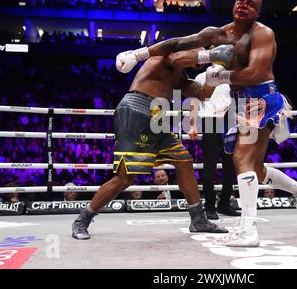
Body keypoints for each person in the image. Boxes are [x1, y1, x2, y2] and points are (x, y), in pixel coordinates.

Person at [116, 0, 297, 247]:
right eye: (240, 1)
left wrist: (219, 76)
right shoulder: (218, 33)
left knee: (241, 159)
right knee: (254, 170)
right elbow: (178, 43)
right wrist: (138, 54)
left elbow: (255, 74)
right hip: (241, 102)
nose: (243, 6)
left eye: (251, 4)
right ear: (233, 5)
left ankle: (249, 231)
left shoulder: (263, 34)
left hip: (261, 97)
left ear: (257, 12)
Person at [71, 46, 236, 240]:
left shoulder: (179, 76)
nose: (198, 62)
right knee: (125, 178)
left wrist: (215, 77)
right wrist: (211, 55)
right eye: (198, 53)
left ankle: (198, 219)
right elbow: (181, 56)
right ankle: (82, 219)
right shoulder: (165, 56)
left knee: (184, 161)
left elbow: (202, 94)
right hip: (136, 111)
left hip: (158, 117)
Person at [188, 70, 240, 220]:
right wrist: (192, 125)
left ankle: (224, 203)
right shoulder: (201, 76)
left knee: (230, 164)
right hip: (210, 120)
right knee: (209, 165)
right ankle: (210, 207)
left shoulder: (232, 74)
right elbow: (194, 101)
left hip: (230, 119)